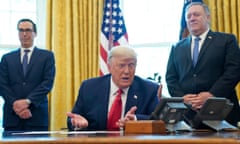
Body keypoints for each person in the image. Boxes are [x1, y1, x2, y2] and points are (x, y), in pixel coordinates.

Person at [165, 2, 240, 127]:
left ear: (208, 17)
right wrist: (182, 98)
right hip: (188, 116)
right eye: (188, 16)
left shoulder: (226, 40)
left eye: (196, 15)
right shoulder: (177, 47)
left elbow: (234, 71)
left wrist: (212, 95)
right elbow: (171, 78)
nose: (192, 18)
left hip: (222, 114)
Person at [67, 45, 160, 131]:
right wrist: (76, 123)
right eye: (121, 65)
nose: (127, 71)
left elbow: (159, 120)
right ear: (109, 67)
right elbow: (74, 117)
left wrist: (136, 120)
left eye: (131, 65)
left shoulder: (148, 89)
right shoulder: (89, 88)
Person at [0, 18, 56, 131]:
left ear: (35, 33)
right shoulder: (6, 58)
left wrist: (27, 102)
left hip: (36, 115)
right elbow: (2, 85)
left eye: (28, 30)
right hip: (12, 116)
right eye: (21, 30)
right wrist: (16, 105)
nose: (24, 34)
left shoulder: (47, 56)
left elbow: (47, 83)